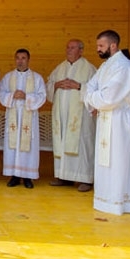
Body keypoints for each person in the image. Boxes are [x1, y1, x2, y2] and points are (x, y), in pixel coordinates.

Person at [84, 29, 130, 215]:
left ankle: (119, 202)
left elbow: (109, 96)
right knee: (104, 161)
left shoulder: (124, 67)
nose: (98, 49)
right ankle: (104, 200)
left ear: (113, 45)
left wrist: (94, 98)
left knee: (118, 160)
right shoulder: (106, 65)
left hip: (118, 121)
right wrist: (94, 99)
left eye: (101, 46)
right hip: (105, 118)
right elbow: (90, 86)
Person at [45, 39, 97, 192]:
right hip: (61, 116)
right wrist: (56, 85)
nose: (69, 50)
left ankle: (86, 179)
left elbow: (96, 90)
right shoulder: (59, 68)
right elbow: (48, 85)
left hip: (81, 118)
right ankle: (64, 176)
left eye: (73, 48)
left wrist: (78, 86)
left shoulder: (89, 69)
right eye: (67, 47)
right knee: (62, 142)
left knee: (82, 144)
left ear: (81, 50)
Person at [0, 49, 46, 189]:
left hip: (28, 116)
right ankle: (14, 176)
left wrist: (27, 97)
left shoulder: (37, 78)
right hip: (13, 115)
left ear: (28, 60)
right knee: (13, 146)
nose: (20, 61)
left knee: (27, 146)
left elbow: (42, 96)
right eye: (17, 58)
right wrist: (12, 96)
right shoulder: (8, 77)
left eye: (23, 58)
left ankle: (28, 177)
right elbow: (0, 93)